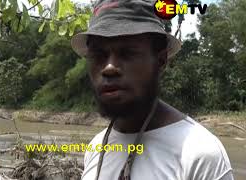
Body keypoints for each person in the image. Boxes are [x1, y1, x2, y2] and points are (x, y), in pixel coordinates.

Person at [70, 0, 234, 179]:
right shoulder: (96, 148)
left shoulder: (199, 155)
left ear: (161, 60)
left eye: (127, 53)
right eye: (98, 55)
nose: (109, 67)